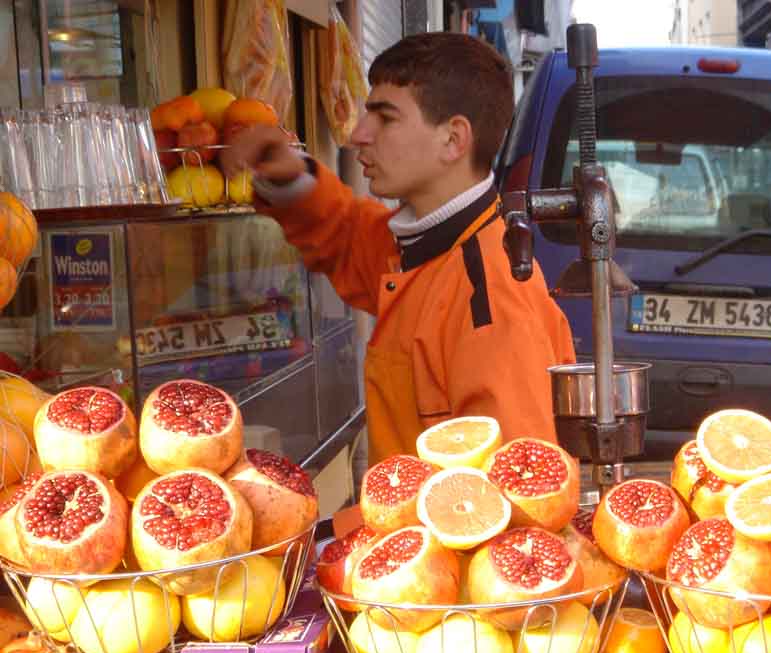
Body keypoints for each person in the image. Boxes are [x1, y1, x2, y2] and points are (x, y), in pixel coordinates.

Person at [221, 32, 575, 465]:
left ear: (453, 139)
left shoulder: (491, 302)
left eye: (385, 118)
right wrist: (291, 178)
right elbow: (350, 236)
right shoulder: (427, 247)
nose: (357, 135)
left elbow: (517, 493)